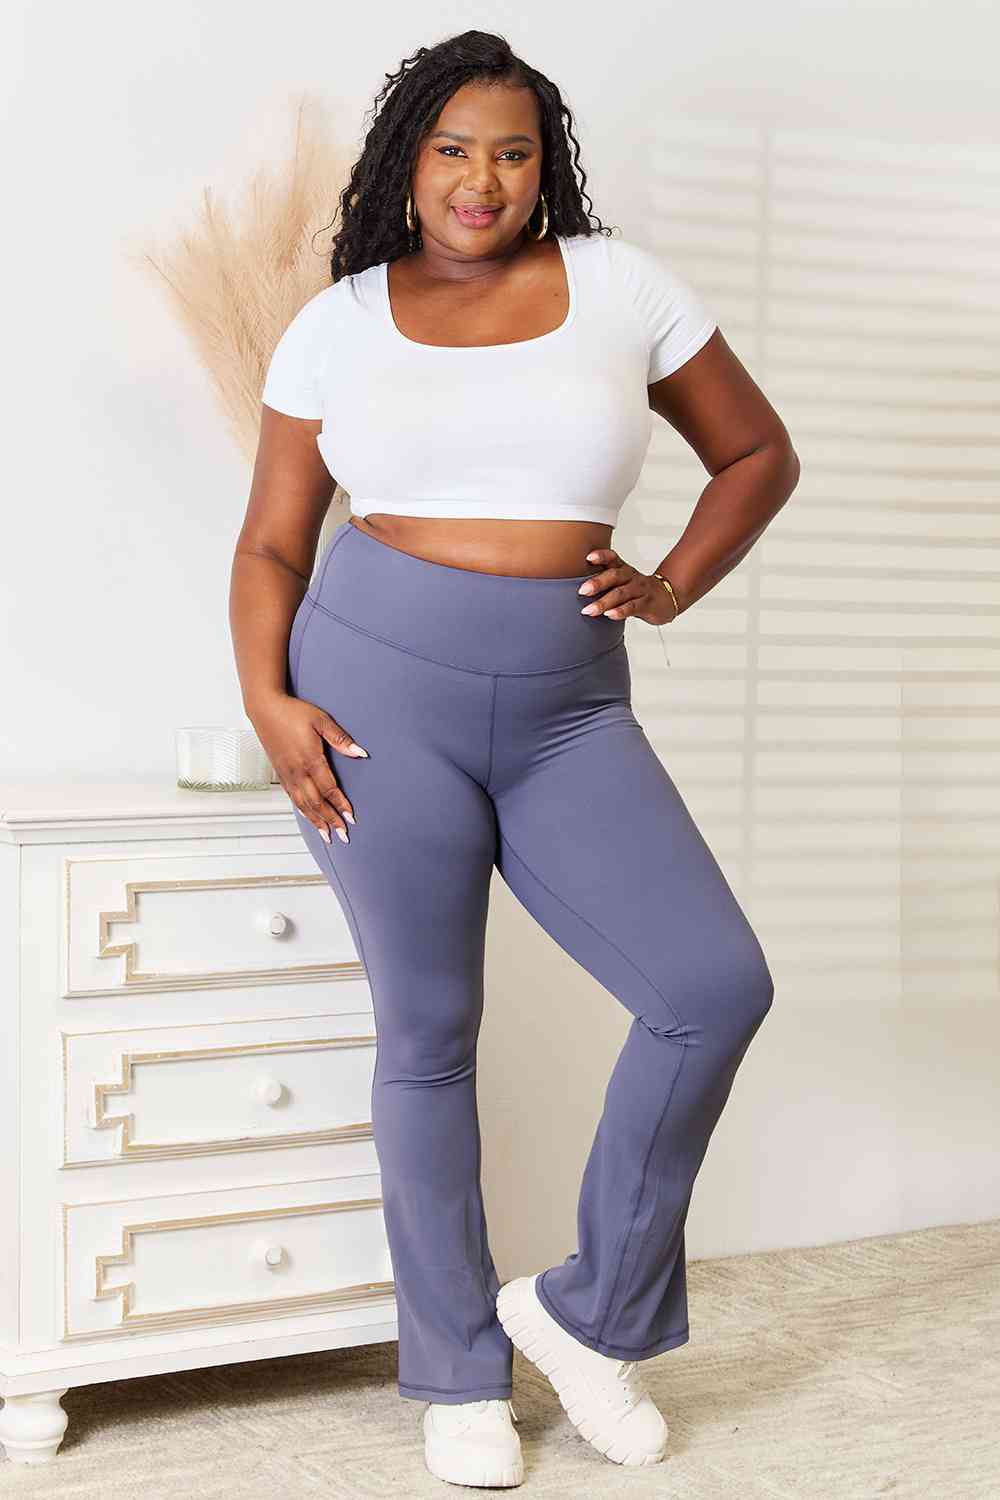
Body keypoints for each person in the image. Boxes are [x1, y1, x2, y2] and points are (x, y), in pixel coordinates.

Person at [231, 28, 799, 1491]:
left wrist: (670, 585)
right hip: (373, 694)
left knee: (711, 987)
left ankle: (585, 1315)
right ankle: (457, 1375)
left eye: (511, 151)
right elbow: (276, 539)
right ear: (406, 164)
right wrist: (267, 700)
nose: (479, 179)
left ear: (546, 168)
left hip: (568, 707)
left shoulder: (623, 288)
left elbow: (757, 454)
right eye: (451, 149)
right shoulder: (338, 322)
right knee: (429, 1032)